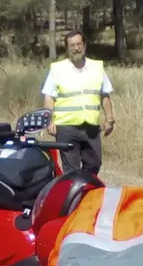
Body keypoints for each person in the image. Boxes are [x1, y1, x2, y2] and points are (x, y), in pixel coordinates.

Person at [42, 30, 116, 175]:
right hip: (66, 127)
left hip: (91, 127)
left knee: (94, 164)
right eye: (72, 45)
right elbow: (49, 97)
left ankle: (86, 191)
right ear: (67, 48)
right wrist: (49, 121)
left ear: (84, 45)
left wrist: (109, 119)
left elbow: (105, 95)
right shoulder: (57, 69)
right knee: (71, 171)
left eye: (78, 44)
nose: (76, 48)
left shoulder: (97, 67)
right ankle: (75, 195)